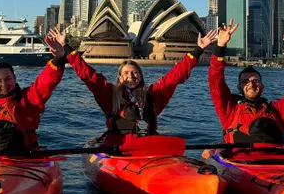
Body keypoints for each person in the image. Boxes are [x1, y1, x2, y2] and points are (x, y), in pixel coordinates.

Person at [52, 26, 219, 146]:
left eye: (135, 72)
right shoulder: (109, 94)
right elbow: (87, 74)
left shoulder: (153, 95)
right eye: (126, 73)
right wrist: (65, 47)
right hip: (118, 149)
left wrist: (199, 49)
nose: (131, 76)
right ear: (119, 77)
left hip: (148, 147)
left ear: (141, 75)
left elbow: (175, 76)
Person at [209, 21, 284, 145]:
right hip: (239, 161)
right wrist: (220, 46)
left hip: (274, 161)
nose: (251, 84)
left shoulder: (278, 111)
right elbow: (216, 81)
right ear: (240, 87)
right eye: (245, 81)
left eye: (255, 81)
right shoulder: (230, 109)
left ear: (262, 86)